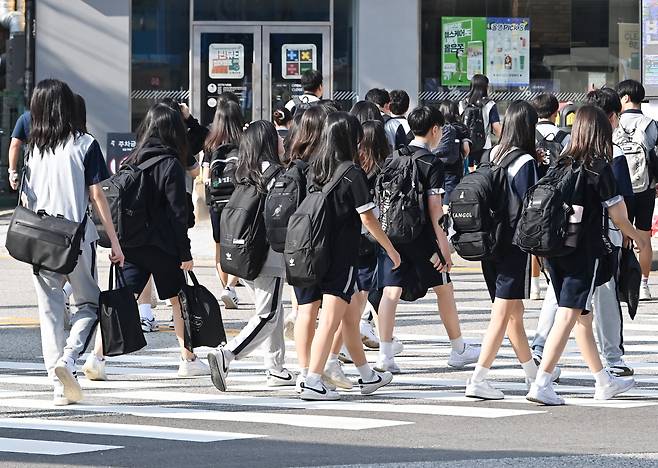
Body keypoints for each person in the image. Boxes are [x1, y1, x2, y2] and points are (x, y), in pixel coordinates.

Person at [526, 105, 649, 405]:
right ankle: (542, 382)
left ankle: (603, 380)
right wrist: (638, 238)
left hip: (554, 251)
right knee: (569, 315)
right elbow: (618, 216)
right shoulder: (598, 166)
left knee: (582, 316)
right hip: (584, 252)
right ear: (602, 133)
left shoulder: (561, 163)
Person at [21, 79, 124, 405]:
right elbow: (97, 196)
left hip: (39, 239)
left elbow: (26, 193)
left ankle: (56, 381)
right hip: (77, 238)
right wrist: (115, 241)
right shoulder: (84, 144)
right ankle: (69, 359)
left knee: (49, 312)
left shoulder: (33, 149)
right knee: (89, 305)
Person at [298, 111, 401, 401]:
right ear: (351, 139)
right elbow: (368, 219)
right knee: (331, 320)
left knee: (350, 316)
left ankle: (367, 376)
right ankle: (313, 380)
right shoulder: (351, 172)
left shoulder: (316, 168)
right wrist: (391, 250)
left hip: (315, 251)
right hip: (341, 257)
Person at [376, 106, 480, 374]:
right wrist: (444, 248)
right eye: (441, 129)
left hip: (393, 234)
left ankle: (385, 354)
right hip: (422, 238)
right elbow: (435, 210)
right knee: (444, 288)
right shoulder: (430, 162)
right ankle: (458, 349)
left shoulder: (393, 157)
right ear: (434, 129)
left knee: (391, 290)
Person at [117, 102, 207, 378]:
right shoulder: (169, 164)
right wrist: (185, 254)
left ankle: (97, 357)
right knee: (178, 301)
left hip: (133, 243)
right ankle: (188, 359)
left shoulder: (131, 159)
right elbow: (178, 214)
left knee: (124, 300)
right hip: (164, 247)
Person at [206, 120, 297, 391]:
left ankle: (275, 368)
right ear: (269, 144)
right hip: (267, 254)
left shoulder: (244, 171)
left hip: (242, 252)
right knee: (267, 314)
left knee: (272, 310)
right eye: (278, 139)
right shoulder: (277, 175)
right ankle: (227, 355)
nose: (283, 143)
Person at [464, 101, 544, 400]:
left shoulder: (490, 154)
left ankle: (532, 376)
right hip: (512, 245)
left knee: (513, 313)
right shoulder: (525, 162)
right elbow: (531, 207)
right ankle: (478, 378)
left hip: (488, 242)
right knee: (502, 312)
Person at [616, 79, 657, 301]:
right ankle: (643, 285)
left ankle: (622, 281)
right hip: (646, 187)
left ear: (625, 98)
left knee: (623, 234)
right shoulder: (651, 124)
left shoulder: (615, 122)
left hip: (621, 188)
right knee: (644, 235)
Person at [529, 93, 572, 300]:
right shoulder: (564, 136)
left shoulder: (528, 134)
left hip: (533, 193)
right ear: (557, 113)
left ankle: (534, 285)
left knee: (532, 233)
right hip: (557, 193)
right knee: (555, 234)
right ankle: (554, 280)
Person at [203, 101, 244, 309]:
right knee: (238, 244)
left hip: (217, 202)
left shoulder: (211, 143)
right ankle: (230, 287)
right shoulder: (244, 141)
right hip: (238, 202)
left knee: (219, 246)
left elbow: (204, 176)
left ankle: (227, 288)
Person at [459, 74, 502, 168]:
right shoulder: (489, 104)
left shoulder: (462, 104)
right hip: (484, 147)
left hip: (465, 147)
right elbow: (497, 128)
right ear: (485, 87)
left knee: (467, 175)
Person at [436, 100, 470, 209]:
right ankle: (447, 217)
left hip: (437, 165)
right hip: (454, 167)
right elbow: (466, 149)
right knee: (450, 191)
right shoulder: (461, 128)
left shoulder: (437, 127)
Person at [8, 109, 31, 190]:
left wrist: (12, 172)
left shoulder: (26, 118)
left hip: (33, 171)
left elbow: (14, 146)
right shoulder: (64, 118)